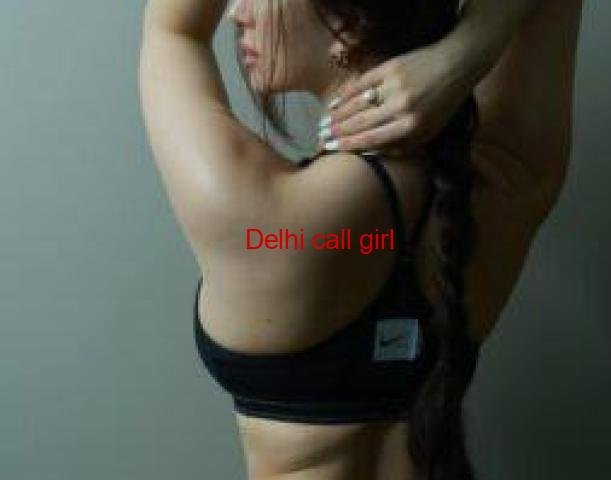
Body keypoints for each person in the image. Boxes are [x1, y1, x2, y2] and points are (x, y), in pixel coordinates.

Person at [138, 1, 584, 479]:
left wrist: (460, 54)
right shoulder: (506, 182)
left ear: (349, 24)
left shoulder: (271, 228)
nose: (238, 13)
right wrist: (461, 55)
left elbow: (172, 29)